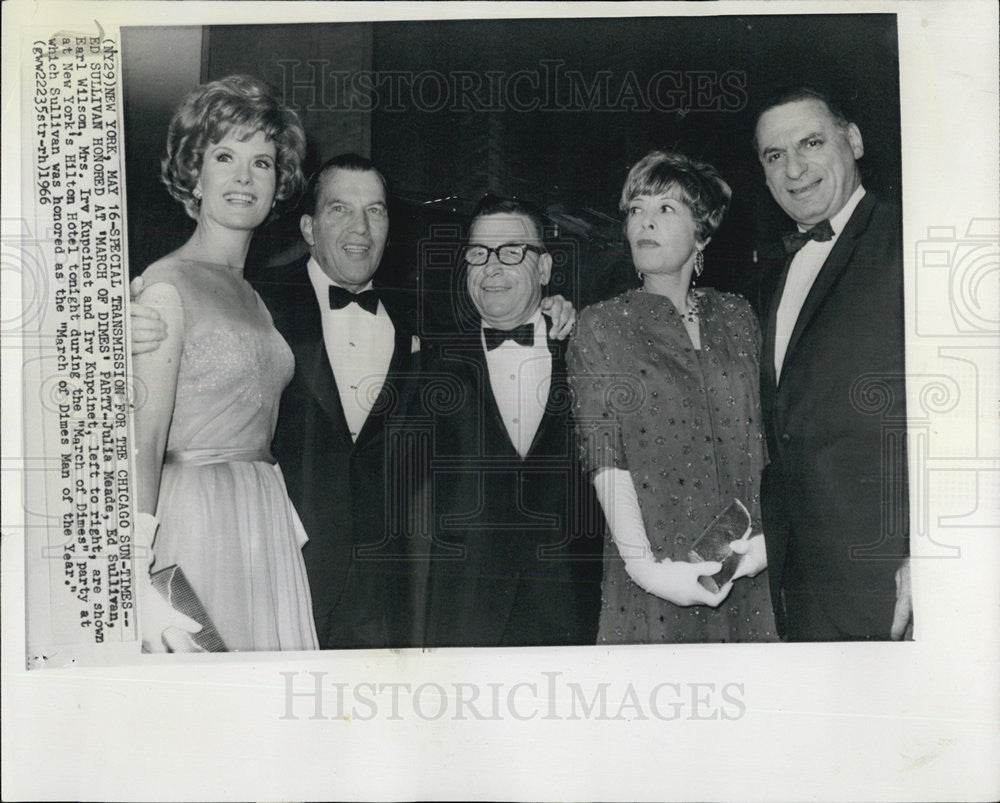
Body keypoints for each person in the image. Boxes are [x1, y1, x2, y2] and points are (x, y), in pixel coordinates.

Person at [131, 155, 578, 649]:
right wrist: (128, 327)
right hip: (277, 565)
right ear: (308, 226)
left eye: (376, 211)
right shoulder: (257, 304)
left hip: (389, 590)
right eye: (340, 209)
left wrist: (557, 307)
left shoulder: (422, 314)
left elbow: (503, 317)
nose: (360, 228)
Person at [132, 74, 318, 652]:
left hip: (261, 516)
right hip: (196, 521)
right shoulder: (165, 285)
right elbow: (145, 439)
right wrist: (131, 574)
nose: (243, 176)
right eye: (225, 156)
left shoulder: (255, 297)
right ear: (195, 171)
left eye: (262, 162)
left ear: (278, 181)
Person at [567, 150, 775, 644]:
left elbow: (768, 436)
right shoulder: (600, 326)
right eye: (636, 209)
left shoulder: (739, 317)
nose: (645, 221)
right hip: (658, 574)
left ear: (703, 232)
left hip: (753, 566)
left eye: (666, 209)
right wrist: (650, 572)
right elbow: (605, 458)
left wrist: (765, 548)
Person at [753, 86, 910, 641]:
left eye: (811, 143)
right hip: (799, 579)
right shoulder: (774, 270)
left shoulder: (908, 241)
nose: (793, 168)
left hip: (887, 576)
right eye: (774, 156)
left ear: (855, 141)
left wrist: (930, 555)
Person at [421, 196, 604, 647]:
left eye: (512, 251)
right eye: (479, 253)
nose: (492, 267)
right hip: (463, 621)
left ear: (543, 270)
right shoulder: (426, 368)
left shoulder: (592, 351)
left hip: (573, 616)